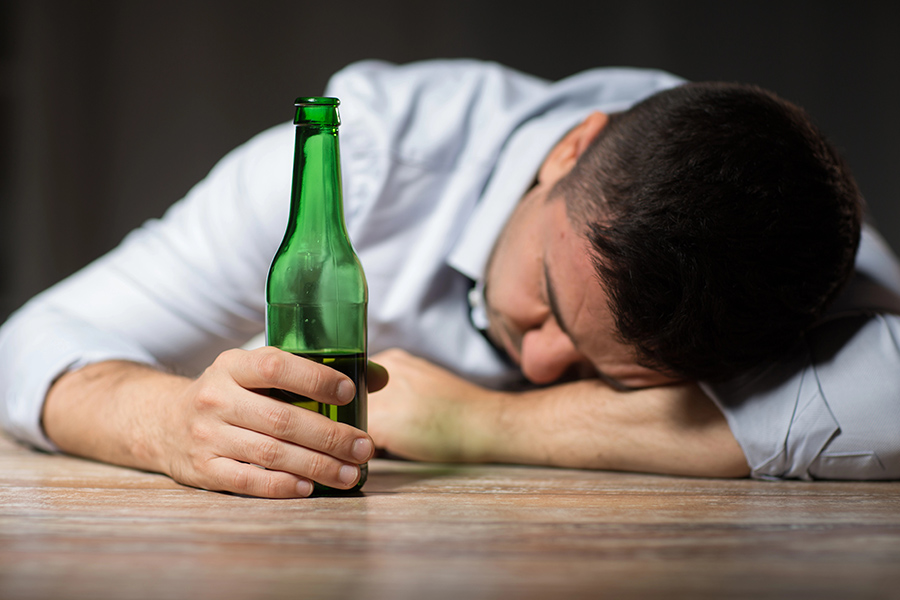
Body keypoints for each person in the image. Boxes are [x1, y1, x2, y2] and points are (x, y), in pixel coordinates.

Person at [1, 59, 898, 498]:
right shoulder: (371, 161)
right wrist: (169, 424)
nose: (543, 361)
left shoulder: (793, 244)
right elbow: (27, 348)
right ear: (570, 149)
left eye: (613, 371)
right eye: (547, 300)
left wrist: (486, 423)